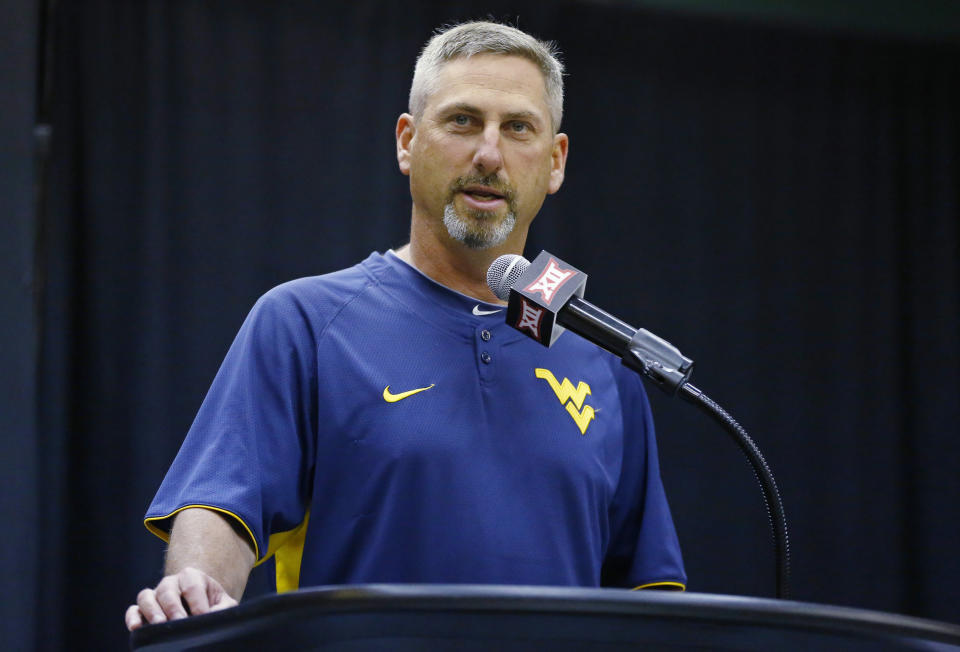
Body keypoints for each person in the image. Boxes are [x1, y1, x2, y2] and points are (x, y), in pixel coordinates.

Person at [125, 20, 686, 632]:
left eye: (518, 128)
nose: (489, 155)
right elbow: (222, 508)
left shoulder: (605, 360)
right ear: (407, 141)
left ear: (554, 162)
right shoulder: (306, 323)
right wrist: (196, 590)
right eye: (463, 121)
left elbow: (648, 597)